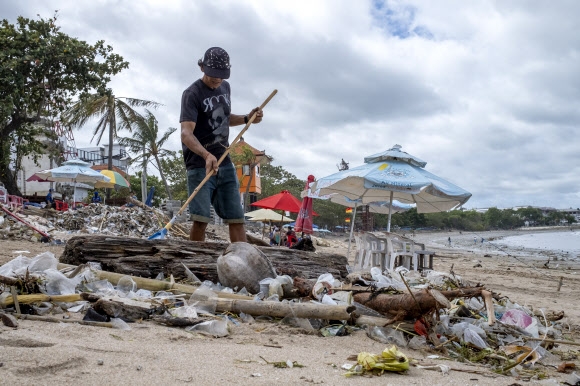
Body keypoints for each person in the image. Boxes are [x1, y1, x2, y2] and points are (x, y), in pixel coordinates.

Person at [180, 47, 263, 242]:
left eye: (221, 76)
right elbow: (186, 133)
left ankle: (243, 261)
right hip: (200, 164)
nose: (217, 80)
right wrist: (206, 155)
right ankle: (196, 260)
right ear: (202, 67)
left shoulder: (225, 88)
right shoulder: (192, 94)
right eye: (213, 76)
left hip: (224, 161)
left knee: (236, 218)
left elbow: (224, 119)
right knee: (201, 219)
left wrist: (246, 118)